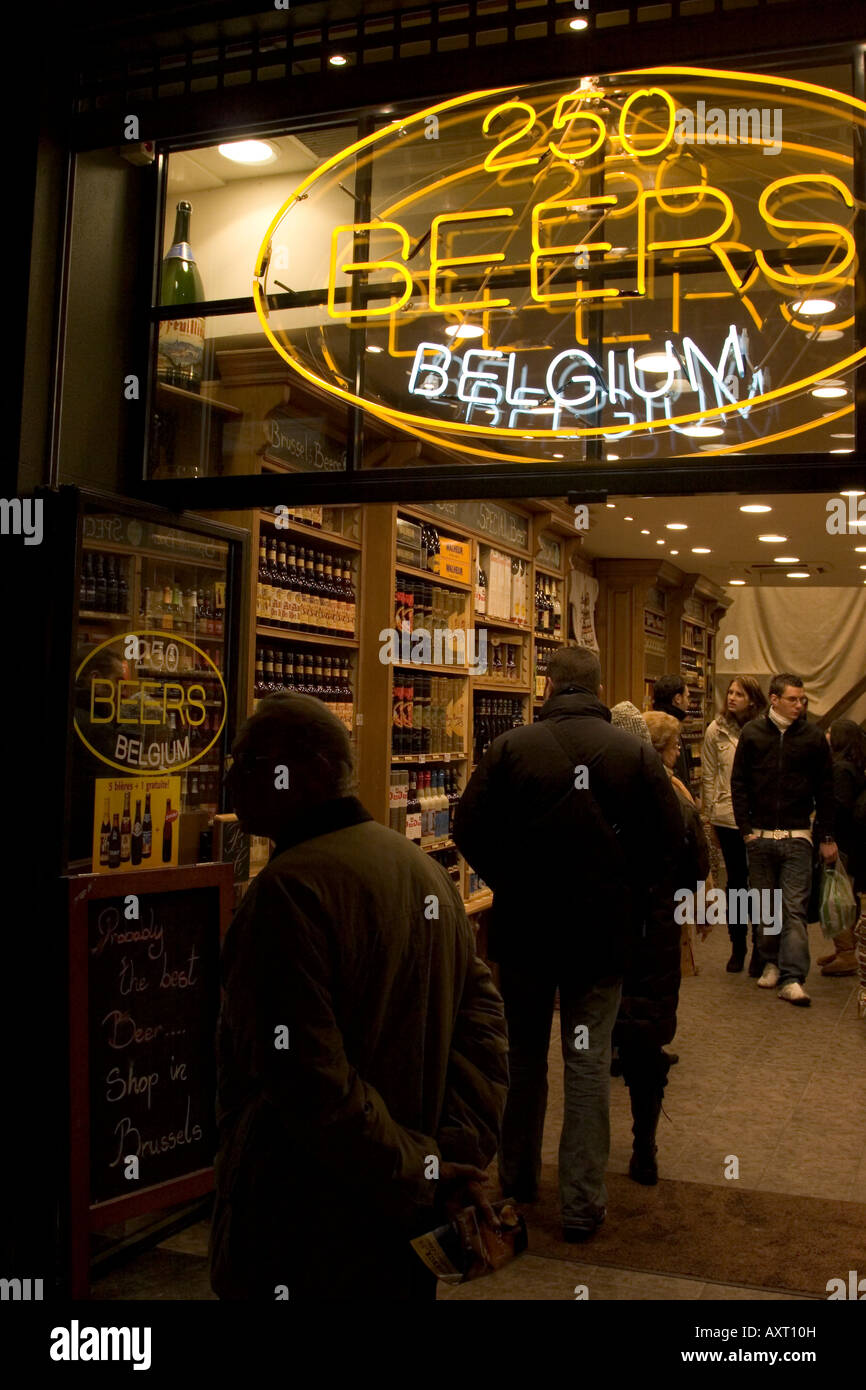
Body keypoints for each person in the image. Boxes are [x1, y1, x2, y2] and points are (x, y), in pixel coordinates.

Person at [210, 694, 509, 1300]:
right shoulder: (418, 866)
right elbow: (483, 1023)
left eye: (248, 760)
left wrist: (416, 1168)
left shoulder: (287, 893)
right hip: (402, 1214)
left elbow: (308, 1081)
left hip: (304, 1211)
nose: (232, 778)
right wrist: (447, 1154)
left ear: (304, 772)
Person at [453, 647, 682, 1242]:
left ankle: (518, 1180)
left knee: (523, 1057)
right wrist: (626, 887)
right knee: (586, 1060)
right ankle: (582, 1204)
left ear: (549, 685)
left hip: (527, 931)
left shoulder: (510, 748)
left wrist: (514, 879)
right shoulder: (633, 752)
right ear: (599, 687)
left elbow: (468, 829)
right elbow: (671, 837)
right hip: (600, 936)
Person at [730, 674, 837, 1008]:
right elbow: (739, 783)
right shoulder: (752, 734)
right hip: (759, 835)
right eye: (793, 699)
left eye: (802, 699)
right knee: (766, 907)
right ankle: (772, 961)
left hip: (797, 836)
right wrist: (745, 828)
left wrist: (825, 836)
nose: (800, 705)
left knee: (793, 907)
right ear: (774, 699)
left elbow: (826, 789)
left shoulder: (813, 738)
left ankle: (793, 978)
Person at [609, 701, 682, 1187]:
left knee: (590, 1044)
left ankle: (581, 1162)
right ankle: (644, 1147)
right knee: (645, 1040)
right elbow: (690, 859)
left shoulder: (587, 789)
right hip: (654, 936)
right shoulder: (665, 791)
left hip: (601, 934)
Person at [701, 676, 768, 975]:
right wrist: (709, 815)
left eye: (739, 693)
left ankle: (762, 947)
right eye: (729, 692)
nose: (731, 697)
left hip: (760, 818)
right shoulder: (716, 731)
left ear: (752, 700)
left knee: (764, 884)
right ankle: (738, 945)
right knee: (738, 883)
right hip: (727, 816)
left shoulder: (765, 731)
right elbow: (709, 775)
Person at [817, 720, 866, 977]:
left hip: (840, 842)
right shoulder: (856, 766)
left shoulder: (840, 769)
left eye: (830, 732)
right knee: (847, 895)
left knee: (836, 896)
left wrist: (826, 837)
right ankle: (844, 949)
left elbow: (837, 807)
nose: (826, 735)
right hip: (853, 841)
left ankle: (846, 951)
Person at [652, 674, 694, 793]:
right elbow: (677, 770)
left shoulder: (654, 723)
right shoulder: (669, 728)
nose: (688, 703)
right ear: (678, 698)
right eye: (687, 697)